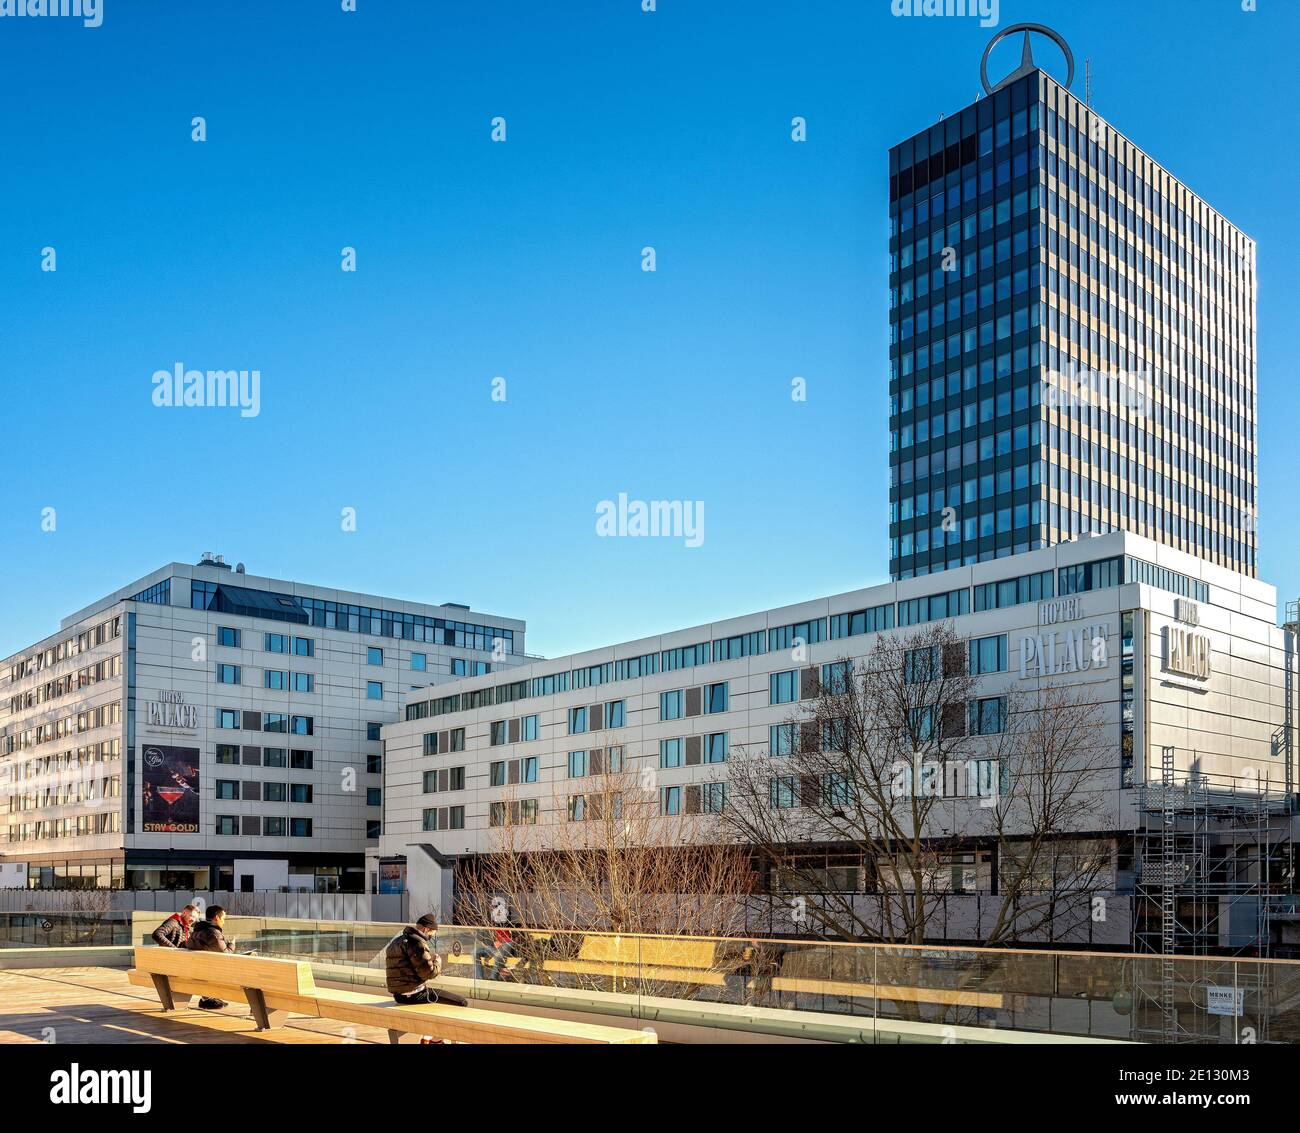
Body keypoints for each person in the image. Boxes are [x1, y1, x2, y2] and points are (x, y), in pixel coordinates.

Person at [384, 914, 468, 1007]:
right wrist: (437, 962)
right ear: (426, 929)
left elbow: (407, 966)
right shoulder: (418, 942)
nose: (432, 936)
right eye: (433, 933)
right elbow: (428, 973)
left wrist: (427, 961)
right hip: (415, 995)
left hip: (398, 996)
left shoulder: (397, 941)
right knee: (462, 1002)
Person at [186, 905, 236, 1011]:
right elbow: (226, 955)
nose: (224, 922)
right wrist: (232, 945)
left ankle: (206, 998)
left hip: (195, 972)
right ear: (217, 918)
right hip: (211, 974)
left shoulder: (196, 931)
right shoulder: (214, 934)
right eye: (223, 919)